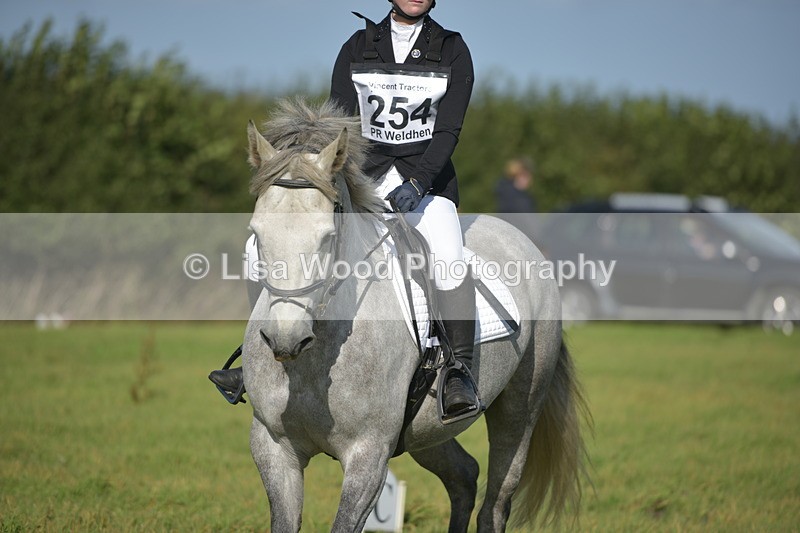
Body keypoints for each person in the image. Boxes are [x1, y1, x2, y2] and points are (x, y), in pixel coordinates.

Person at [210, 0, 480, 419]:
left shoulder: (453, 49)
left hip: (424, 185)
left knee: (447, 255)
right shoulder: (356, 47)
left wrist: (418, 183)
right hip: (362, 182)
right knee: (253, 252)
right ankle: (256, 359)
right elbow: (340, 129)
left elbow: (448, 131)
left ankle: (459, 371)